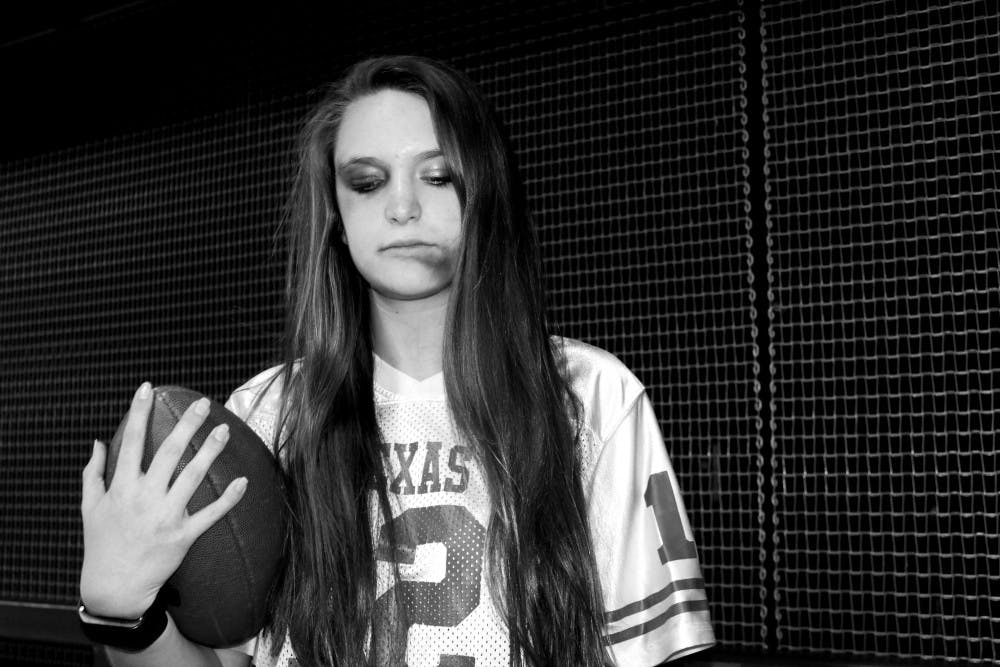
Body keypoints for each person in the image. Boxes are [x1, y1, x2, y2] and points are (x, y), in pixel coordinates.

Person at [79, 55, 716, 667]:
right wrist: (119, 610)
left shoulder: (590, 396)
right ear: (337, 216)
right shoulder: (267, 414)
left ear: (484, 191)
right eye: (367, 181)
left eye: (438, 176)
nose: (403, 206)